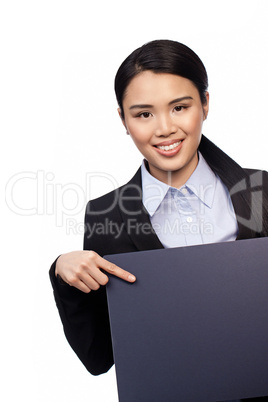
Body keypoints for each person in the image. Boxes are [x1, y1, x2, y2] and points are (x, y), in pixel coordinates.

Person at [49, 40, 268, 398]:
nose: (164, 128)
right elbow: (99, 357)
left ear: (205, 105)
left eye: (180, 107)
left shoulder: (261, 191)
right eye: (143, 114)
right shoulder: (106, 215)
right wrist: (63, 271)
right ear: (123, 119)